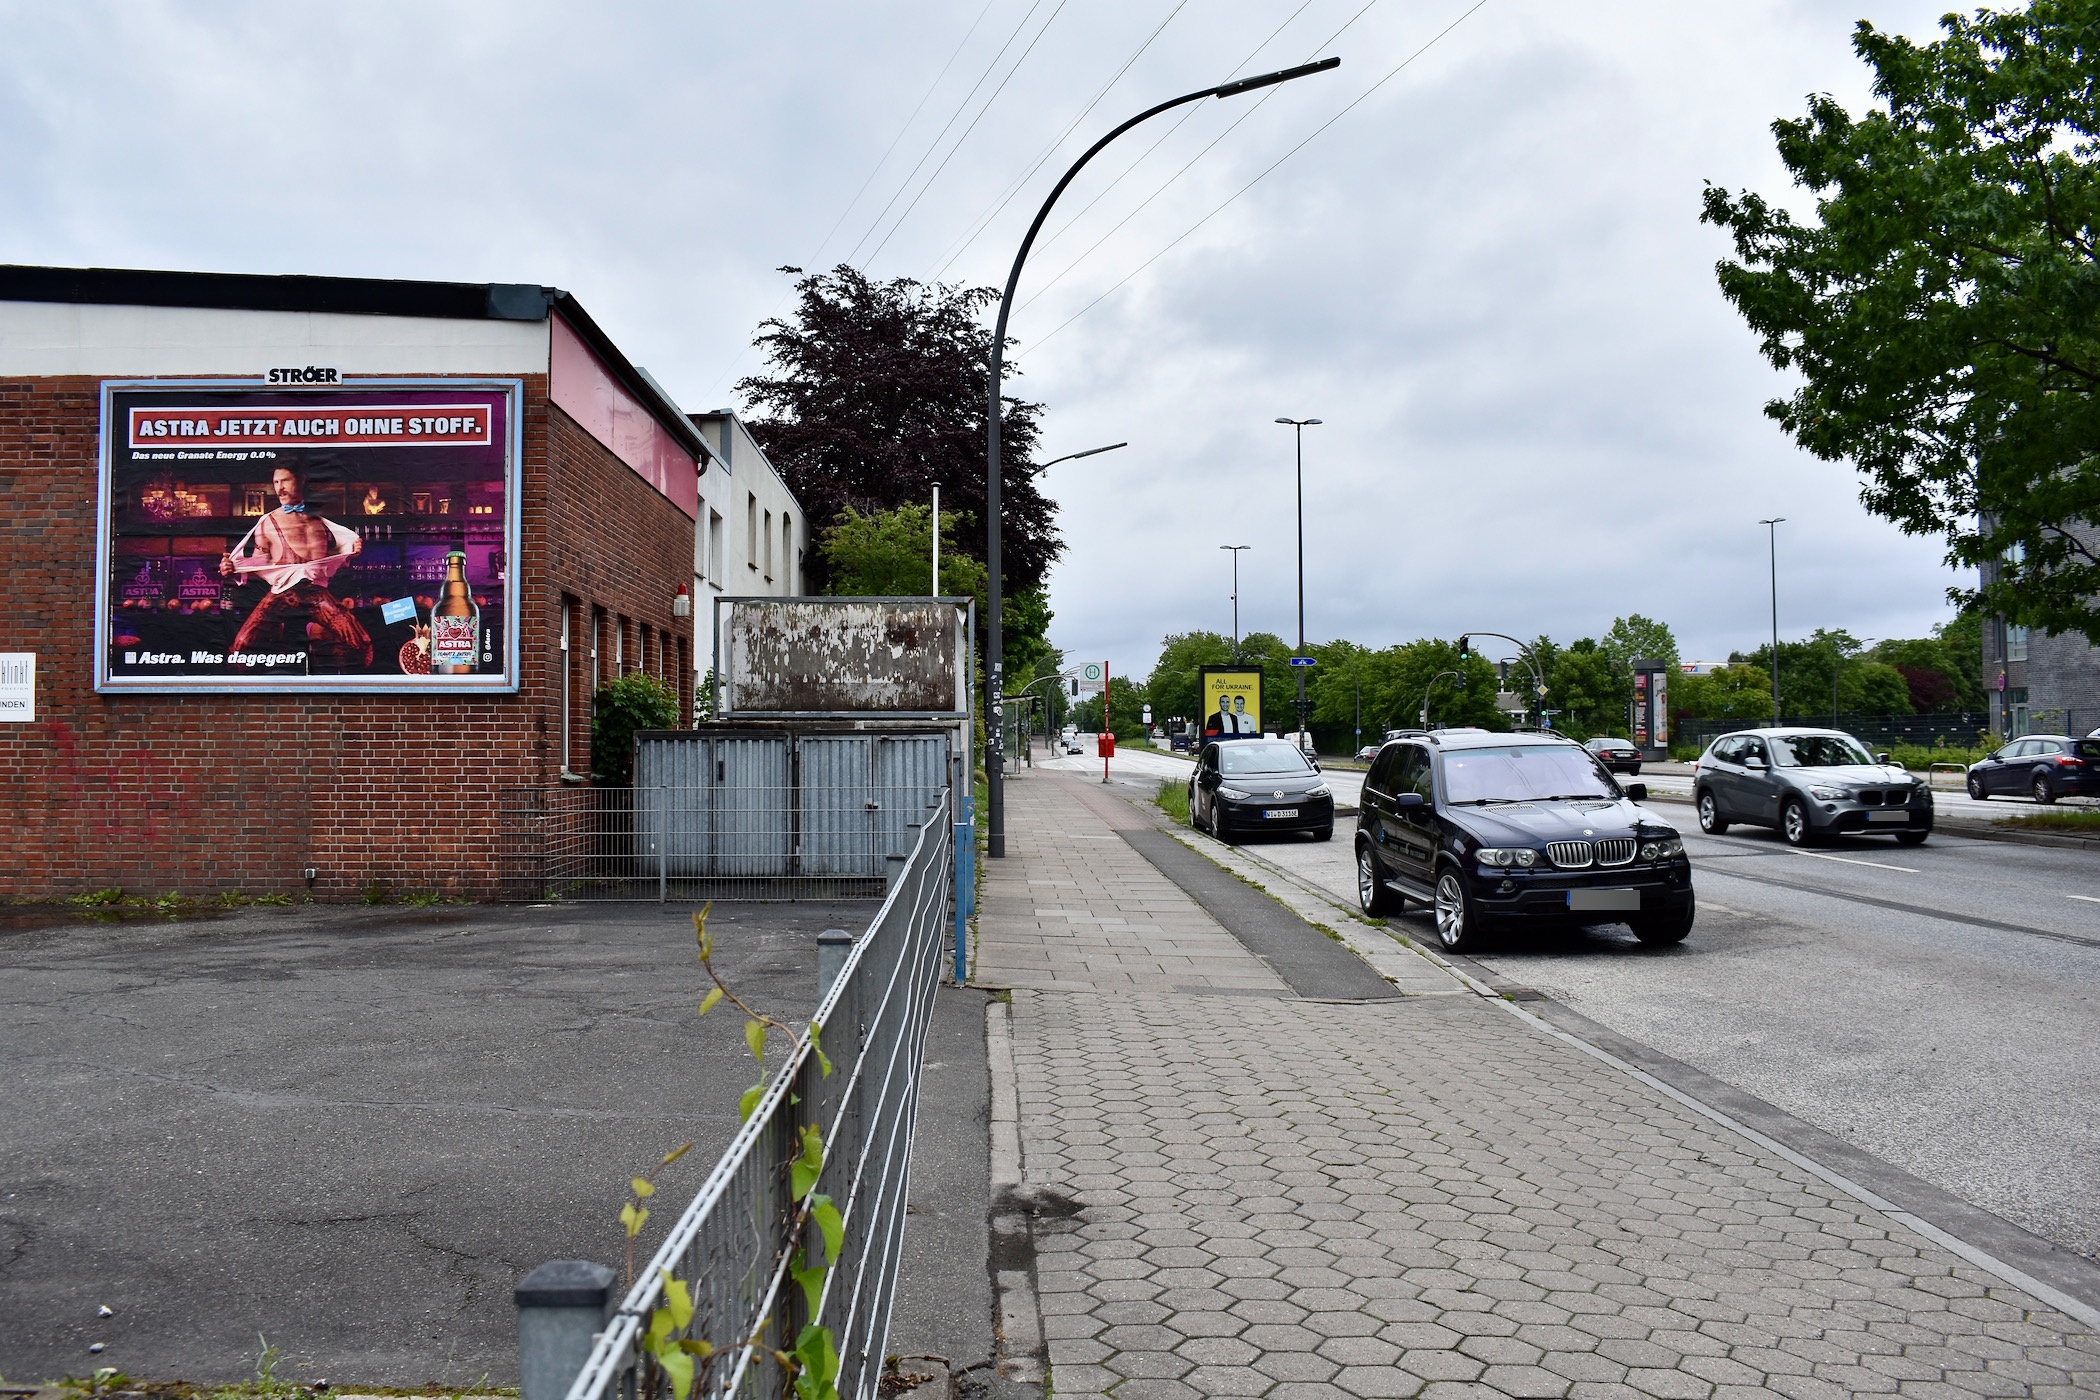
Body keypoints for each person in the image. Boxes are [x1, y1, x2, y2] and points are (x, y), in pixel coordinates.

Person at [220, 465, 372, 669]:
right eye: (276, 482)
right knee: (241, 649)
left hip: (316, 594)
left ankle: (326, 676)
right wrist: (233, 567)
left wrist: (350, 550)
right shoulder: (268, 522)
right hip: (282, 593)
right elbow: (259, 561)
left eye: (285, 481)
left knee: (360, 645)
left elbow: (330, 559)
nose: (279, 488)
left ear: (301, 480)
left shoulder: (321, 521)